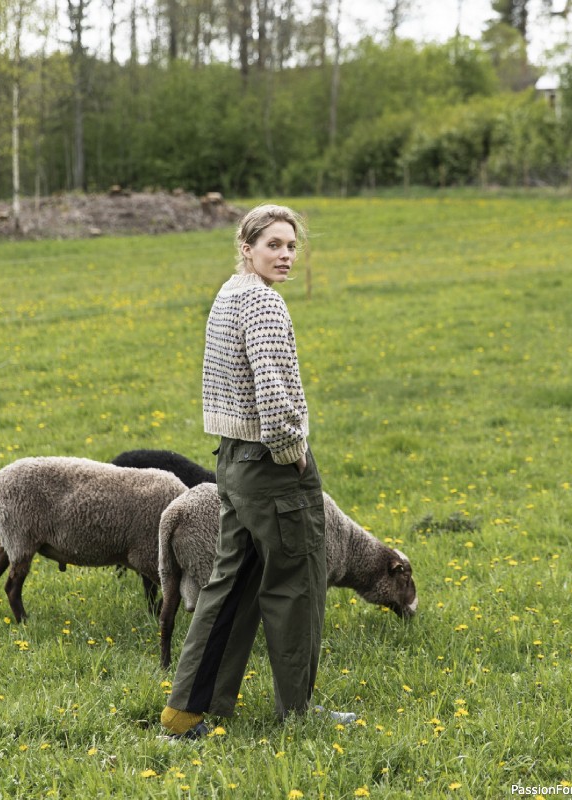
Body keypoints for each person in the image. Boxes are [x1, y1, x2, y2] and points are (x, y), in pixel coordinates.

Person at [160, 204, 352, 739]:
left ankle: (187, 714)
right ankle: (299, 712)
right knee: (295, 587)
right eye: (274, 245)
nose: (286, 255)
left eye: (292, 246)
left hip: (233, 462)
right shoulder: (264, 304)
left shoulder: (229, 294)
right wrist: (295, 451)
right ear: (246, 247)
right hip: (271, 466)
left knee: (229, 585)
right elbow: (273, 392)